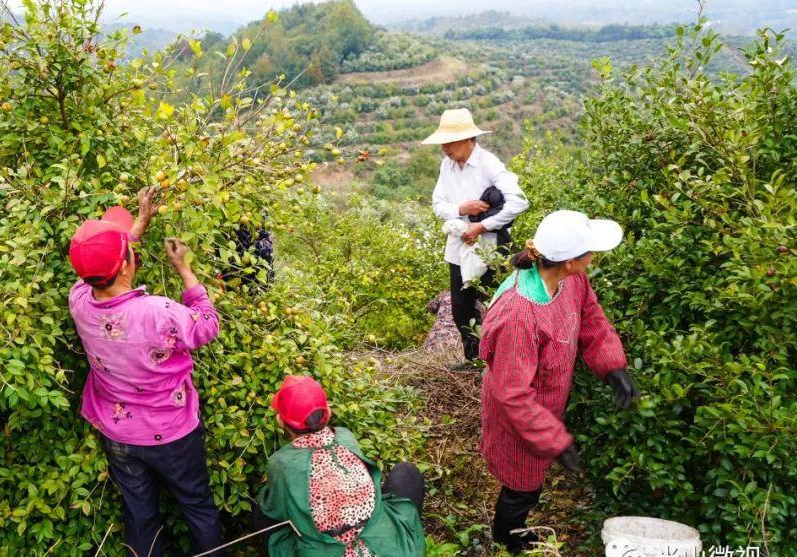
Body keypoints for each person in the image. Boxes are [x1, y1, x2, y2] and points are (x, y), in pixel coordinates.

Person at [67, 187, 223, 557]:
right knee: (197, 505)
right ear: (126, 264)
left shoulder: (80, 303)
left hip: (120, 434)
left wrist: (137, 225)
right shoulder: (159, 312)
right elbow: (207, 326)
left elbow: (97, 269)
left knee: (140, 515)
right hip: (172, 432)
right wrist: (185, 271)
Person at [478, 210, 640, 554]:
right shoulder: (519, 315)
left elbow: (591, 317)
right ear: (568, 261)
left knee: (530, 479)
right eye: (589, 251)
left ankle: (513, 531)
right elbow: (514, 394)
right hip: (518, 415)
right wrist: (554, 439)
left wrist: (614, 368)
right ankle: (507, 538)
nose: (594, 257)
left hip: (544, 404)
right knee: (521, 485)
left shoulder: (572, 280)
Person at [255, 376, 425, 557]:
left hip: (325, 550)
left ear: (281, 421)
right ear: (328, 412)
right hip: (383, 544)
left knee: (260, 512)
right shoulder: (345, 437)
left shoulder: (281, 463)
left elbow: (276, 508)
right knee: (406, 472)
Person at [425, 108, 529, 368]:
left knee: (497, 302)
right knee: (462, 307)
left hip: (491, 247)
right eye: (443, 143)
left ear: (468, 140)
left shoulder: (488, 163)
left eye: (450, 142)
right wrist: (462, 209)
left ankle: (504, 361)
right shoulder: (446, 166)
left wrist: (482, 225)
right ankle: (475, 362)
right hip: (459, 246)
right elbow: (438, 204)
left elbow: (519, 201)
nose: (445, 148)